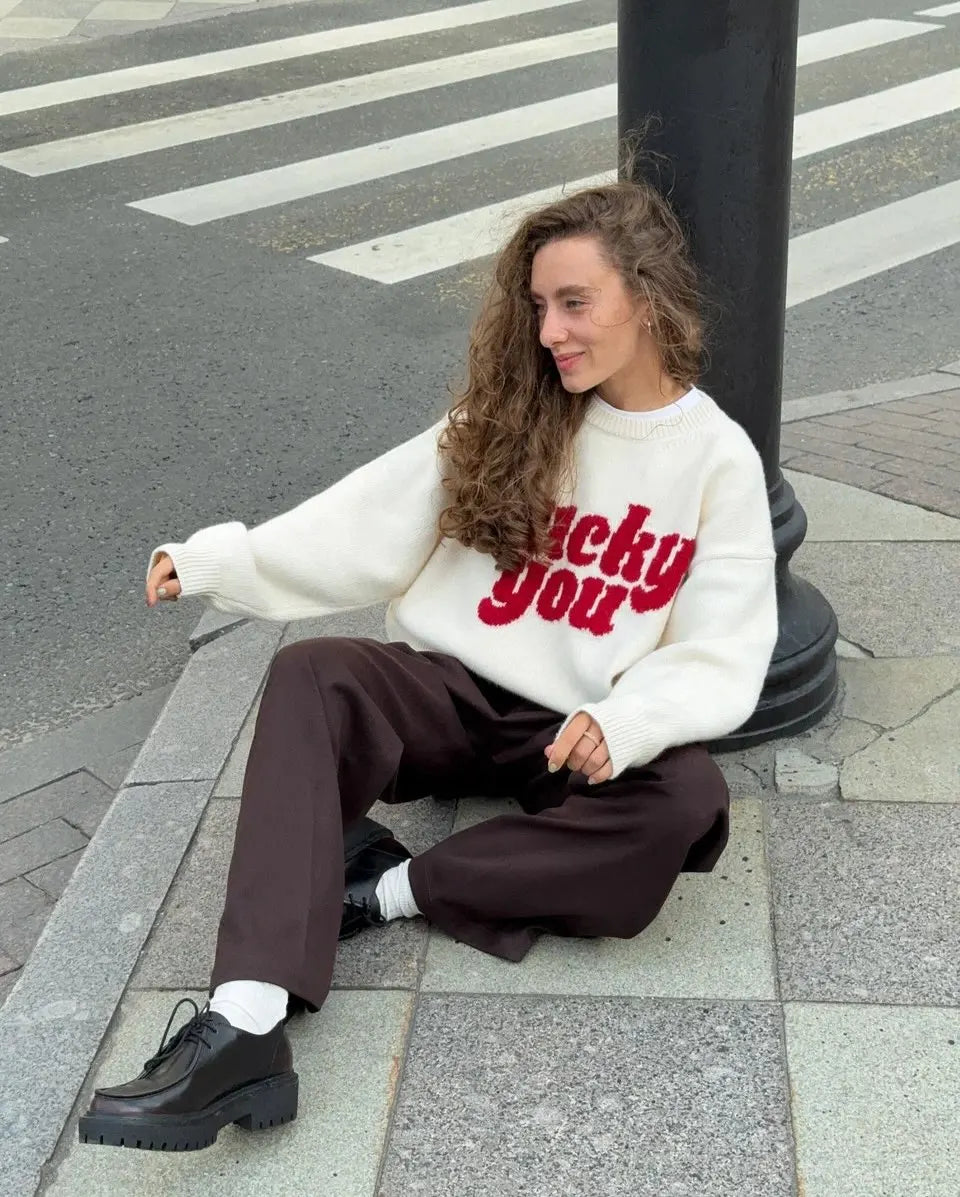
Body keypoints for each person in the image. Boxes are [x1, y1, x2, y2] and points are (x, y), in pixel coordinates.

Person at [79, 173, 777, 1153]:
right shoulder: (517, 415)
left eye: (574, 303)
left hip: (571, 733)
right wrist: (215, 562)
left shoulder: (717, 460)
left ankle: (391, 888)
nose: (549, 332)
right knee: (311, 674)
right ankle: (244, 1028)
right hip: (450, 699)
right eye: (539, 307)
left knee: (690, 803)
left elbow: (723, 644)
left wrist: (626, 721)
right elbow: (365, 517)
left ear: (648, 297)